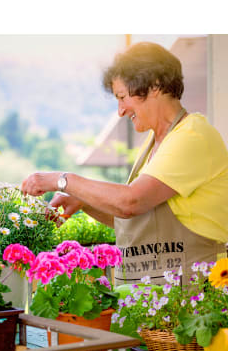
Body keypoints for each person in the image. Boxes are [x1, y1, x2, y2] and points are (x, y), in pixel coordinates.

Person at [21, 42, 228, 286]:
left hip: (194, 305)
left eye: (122, 97)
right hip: (153, 306)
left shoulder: (192, 137)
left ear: (154, 86)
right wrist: (83, 200)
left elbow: (131, 202)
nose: (120, 111)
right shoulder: (157, 141)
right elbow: (138, 222)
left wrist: (62, 180)